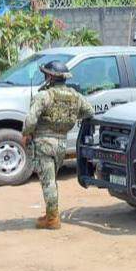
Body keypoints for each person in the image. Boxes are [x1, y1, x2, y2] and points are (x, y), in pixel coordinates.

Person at [21, 60, 94, 230]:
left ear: (50, 77)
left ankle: (53, 219)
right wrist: (71, 116)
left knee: (48, 182)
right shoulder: (75, 96)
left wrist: (25, 134)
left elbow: (30, 120)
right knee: (52, 180)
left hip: (44, 143)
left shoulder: (43, 96)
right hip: (62, 143)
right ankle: (50, 214)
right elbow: (89, 111)